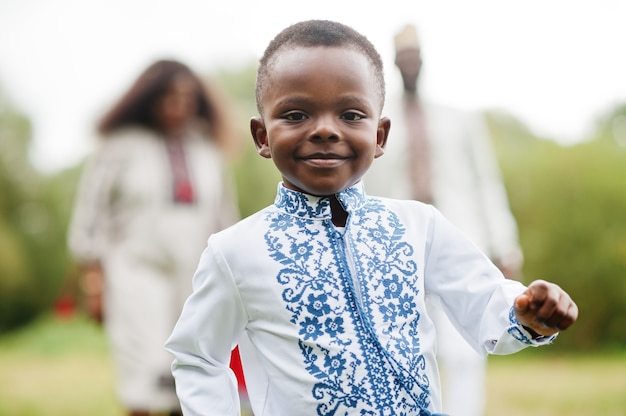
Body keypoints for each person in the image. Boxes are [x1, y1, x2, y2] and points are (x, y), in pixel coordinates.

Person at [164, 20, 578, 416]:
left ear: (379, 136)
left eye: (350, 115)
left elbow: (485, 299)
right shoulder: (234, 251)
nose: (325, 130)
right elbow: (198, 356)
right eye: (296, 115)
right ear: (261, 136)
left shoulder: (419, 226)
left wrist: (526, 312)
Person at [364, 24, 523, 415]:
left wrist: (504, 241)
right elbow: (369, 185)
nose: (410, 66)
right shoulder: (379, 123)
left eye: (415, 58)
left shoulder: (459, 119)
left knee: (463, 346)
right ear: (395, 65)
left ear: (424, 62)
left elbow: (486, 180)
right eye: (403, 59)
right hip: (398, 245)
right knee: (406, 343)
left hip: (458, 237)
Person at [68, 59, 241, 416]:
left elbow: (225, 215)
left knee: (192, 365)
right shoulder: (118, 145)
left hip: (195, 275)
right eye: (169, 97)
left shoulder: (207, 149)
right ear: (149, 98)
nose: (178, 106)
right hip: (135, 272)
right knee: (144, 369)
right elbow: (91, 212)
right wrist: (94, 280)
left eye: (187, 98)